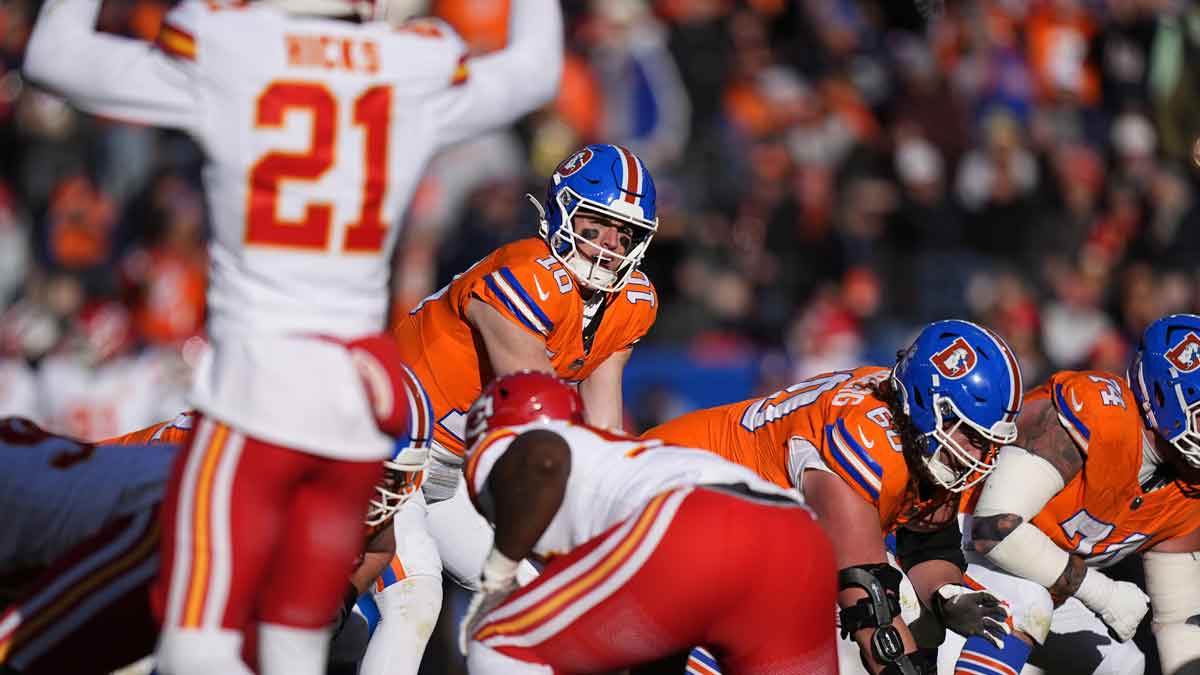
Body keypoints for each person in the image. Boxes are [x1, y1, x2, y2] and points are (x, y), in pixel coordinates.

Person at [22, 0, 563, 671]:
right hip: (355, 403)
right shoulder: (409, 62)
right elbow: (537, 70)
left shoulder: (229, 45)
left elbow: (53, 55)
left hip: (258, 391)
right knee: (291, 649)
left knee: (198, 638)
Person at [382, 143, 660, 659]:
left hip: (456, 474)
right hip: (393, 454)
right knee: (415, 595)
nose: (607, 247)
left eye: (624, 236)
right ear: (562, 211)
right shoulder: (526, 271)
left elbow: (604, 432)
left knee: (538, 600)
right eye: (596, 226)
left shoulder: (632, 301)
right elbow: (538, 407)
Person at [0, 362, 431, 675]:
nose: (381, 494)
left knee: (335, 635)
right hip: (53, 523)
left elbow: (378, 543)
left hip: (108, 529)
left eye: (393, 480)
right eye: (373, 475)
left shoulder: (312, 492)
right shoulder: (213, 485)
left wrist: (337, 600)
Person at [644, 319, 1022, 675]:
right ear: (927, 405)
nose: (980, 455)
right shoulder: (863, 437)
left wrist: (946, 594)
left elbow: (927, 546)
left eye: (987, 441)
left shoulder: (918, 432)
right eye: (971, 436)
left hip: (736, 526)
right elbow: (869, 605)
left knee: (910, 611)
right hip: (671, 498)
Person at [456, 371, 837, 674]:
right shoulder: (617, 458)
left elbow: (544, 455)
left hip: (699, 522)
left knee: (499, 641)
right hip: (800, 537)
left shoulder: (525, 445)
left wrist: (497, 579)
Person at [955, 313, 1200, 675]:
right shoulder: (1102, 411)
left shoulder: (1188, 489)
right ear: (1165, 396)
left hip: (1042, 583)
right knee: (1029, 602)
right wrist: (1104, 594)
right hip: (956, 549)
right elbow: (994, 527)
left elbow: (1178, 622)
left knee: (1124, 665)